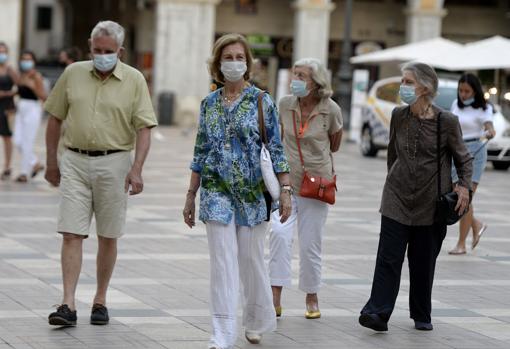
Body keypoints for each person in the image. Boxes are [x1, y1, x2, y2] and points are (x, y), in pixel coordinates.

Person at [44, 20, 157, 327]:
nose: (102, 56)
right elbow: (54, 118)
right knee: (71, 232)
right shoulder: (73, 74)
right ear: (89, 47)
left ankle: (100, 300)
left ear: (120, 51)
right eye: (97, 50)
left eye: (108, 51)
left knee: (108, 235)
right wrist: (51, 163)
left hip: (115, 162)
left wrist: (137, 169)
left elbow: (145, 128)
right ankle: (67, 303)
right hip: (75, 161)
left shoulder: (134, 80)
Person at [183, 33, 291, 349]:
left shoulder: (262, 101)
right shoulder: (209, 104)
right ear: (218, 64)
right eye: (227, 58)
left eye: (239, 58)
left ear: (247, 64)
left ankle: (256, 320)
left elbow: (275, 147)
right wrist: (191, 195)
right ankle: (222, 333)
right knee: (222, 264)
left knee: (251, 261)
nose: (234, 63)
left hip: (252, 195)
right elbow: (200, 150)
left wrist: (285, 189)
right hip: (216, 193)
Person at [359, 62, 473, 332]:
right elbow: (392, 154)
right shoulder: (399, 115)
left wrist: (464, 187)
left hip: (429, 203)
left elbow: (464, 159)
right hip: (396, 199)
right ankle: (377, 312)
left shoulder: (446, 121)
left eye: (408, 82)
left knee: (422, 263)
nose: (403, 87)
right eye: (403, 81)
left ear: (425, 87)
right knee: (388, 259)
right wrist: (394, 182)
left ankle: (421, 313)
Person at [268, 58, 343, 319]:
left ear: (316, 82)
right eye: (294, 74)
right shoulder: (285, 104)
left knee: (311, 244)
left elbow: (335, 144)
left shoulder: (330, 109)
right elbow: (278, 139)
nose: (295, 80)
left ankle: (312, 296)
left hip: (317, 185)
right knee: (278, 234)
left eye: (301, 76)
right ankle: (275, 295)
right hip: (287, 183)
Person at [448, 73, 495, 255]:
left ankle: (461, 244)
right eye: (460, 90)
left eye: (467, 91)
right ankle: (476, 224)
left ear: (475, 91)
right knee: (456, 195)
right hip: (456, 150)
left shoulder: (484, 108)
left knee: (465, 196)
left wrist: (490, 131)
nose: (463, 94)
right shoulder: (455, 105)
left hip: (475, 151)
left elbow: (489, 126)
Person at [13, 50, 46, 182]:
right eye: (23, 59)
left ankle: (24, 173)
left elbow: (44, 97)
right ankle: (35, 163)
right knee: (17, 140)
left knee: (27, 142)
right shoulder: (21, 75)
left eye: (28, 59)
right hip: (21, 109)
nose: (25, 62)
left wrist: (32, 86)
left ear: (33, 61)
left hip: (33, 109)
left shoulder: (36, 76)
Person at [0, 42, 18, 180]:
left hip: (7, 108)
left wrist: (7, 94)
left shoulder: (10, 70)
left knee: (7, 137)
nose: (2, 54)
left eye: (4, 52)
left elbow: (20, 87)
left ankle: (7, 166)